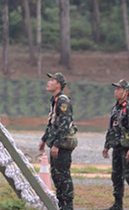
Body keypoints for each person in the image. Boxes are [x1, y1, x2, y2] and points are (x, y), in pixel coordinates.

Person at [102, 80, 129, 210]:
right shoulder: (115, 109)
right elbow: (111, 129)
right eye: (116, 89)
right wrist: (106, 145)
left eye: (119, 89)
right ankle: (117, 203)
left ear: (126, 92)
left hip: (127, 149)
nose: (116, 92)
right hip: (117, 147)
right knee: (116, 176)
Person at [39, 73, 75, 210]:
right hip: (56, 143)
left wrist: (56, 145)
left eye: (52, 80)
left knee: (63, 174)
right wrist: (44, 139)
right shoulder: (55, 100)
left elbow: (64, 125)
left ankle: (68, 204)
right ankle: (61, 202)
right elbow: (53, 123)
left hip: (63, 145)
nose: (49, 82)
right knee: (56, 174)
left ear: (59, 85)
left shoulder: (63, 101)